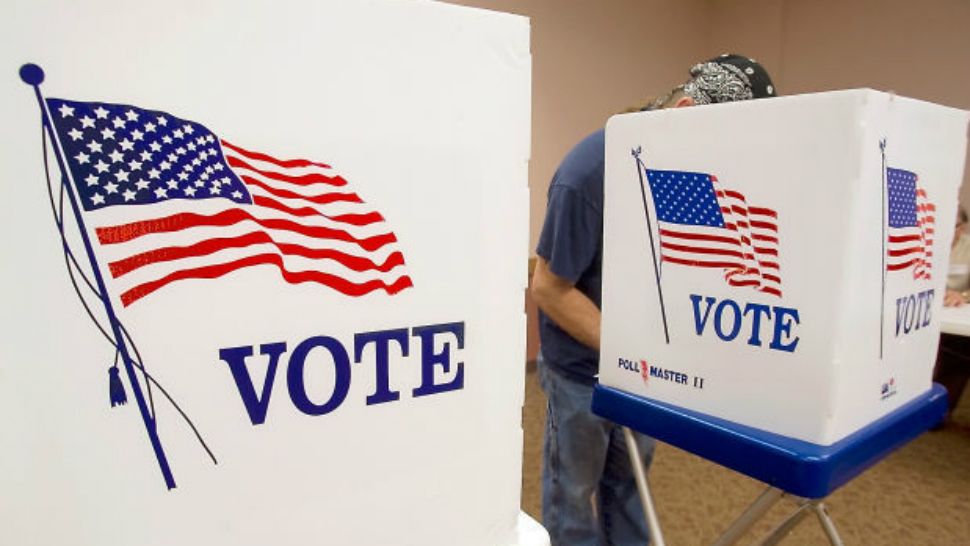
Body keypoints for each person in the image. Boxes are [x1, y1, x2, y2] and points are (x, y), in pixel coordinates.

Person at [530, 54, 777, 546]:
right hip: (581, 372)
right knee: (573, 494)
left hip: (644, 373)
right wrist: (632, 351)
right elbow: (548, 287)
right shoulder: (590, 172)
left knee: (630, 489)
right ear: (685, 111)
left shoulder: (689, 171)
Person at [935, 206, 970, 419]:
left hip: (957, 316)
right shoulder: (926, 244)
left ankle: (941, 409)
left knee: (958, 350)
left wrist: (963, 296)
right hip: (926, 311)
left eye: (952, 226)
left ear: (962, 228)